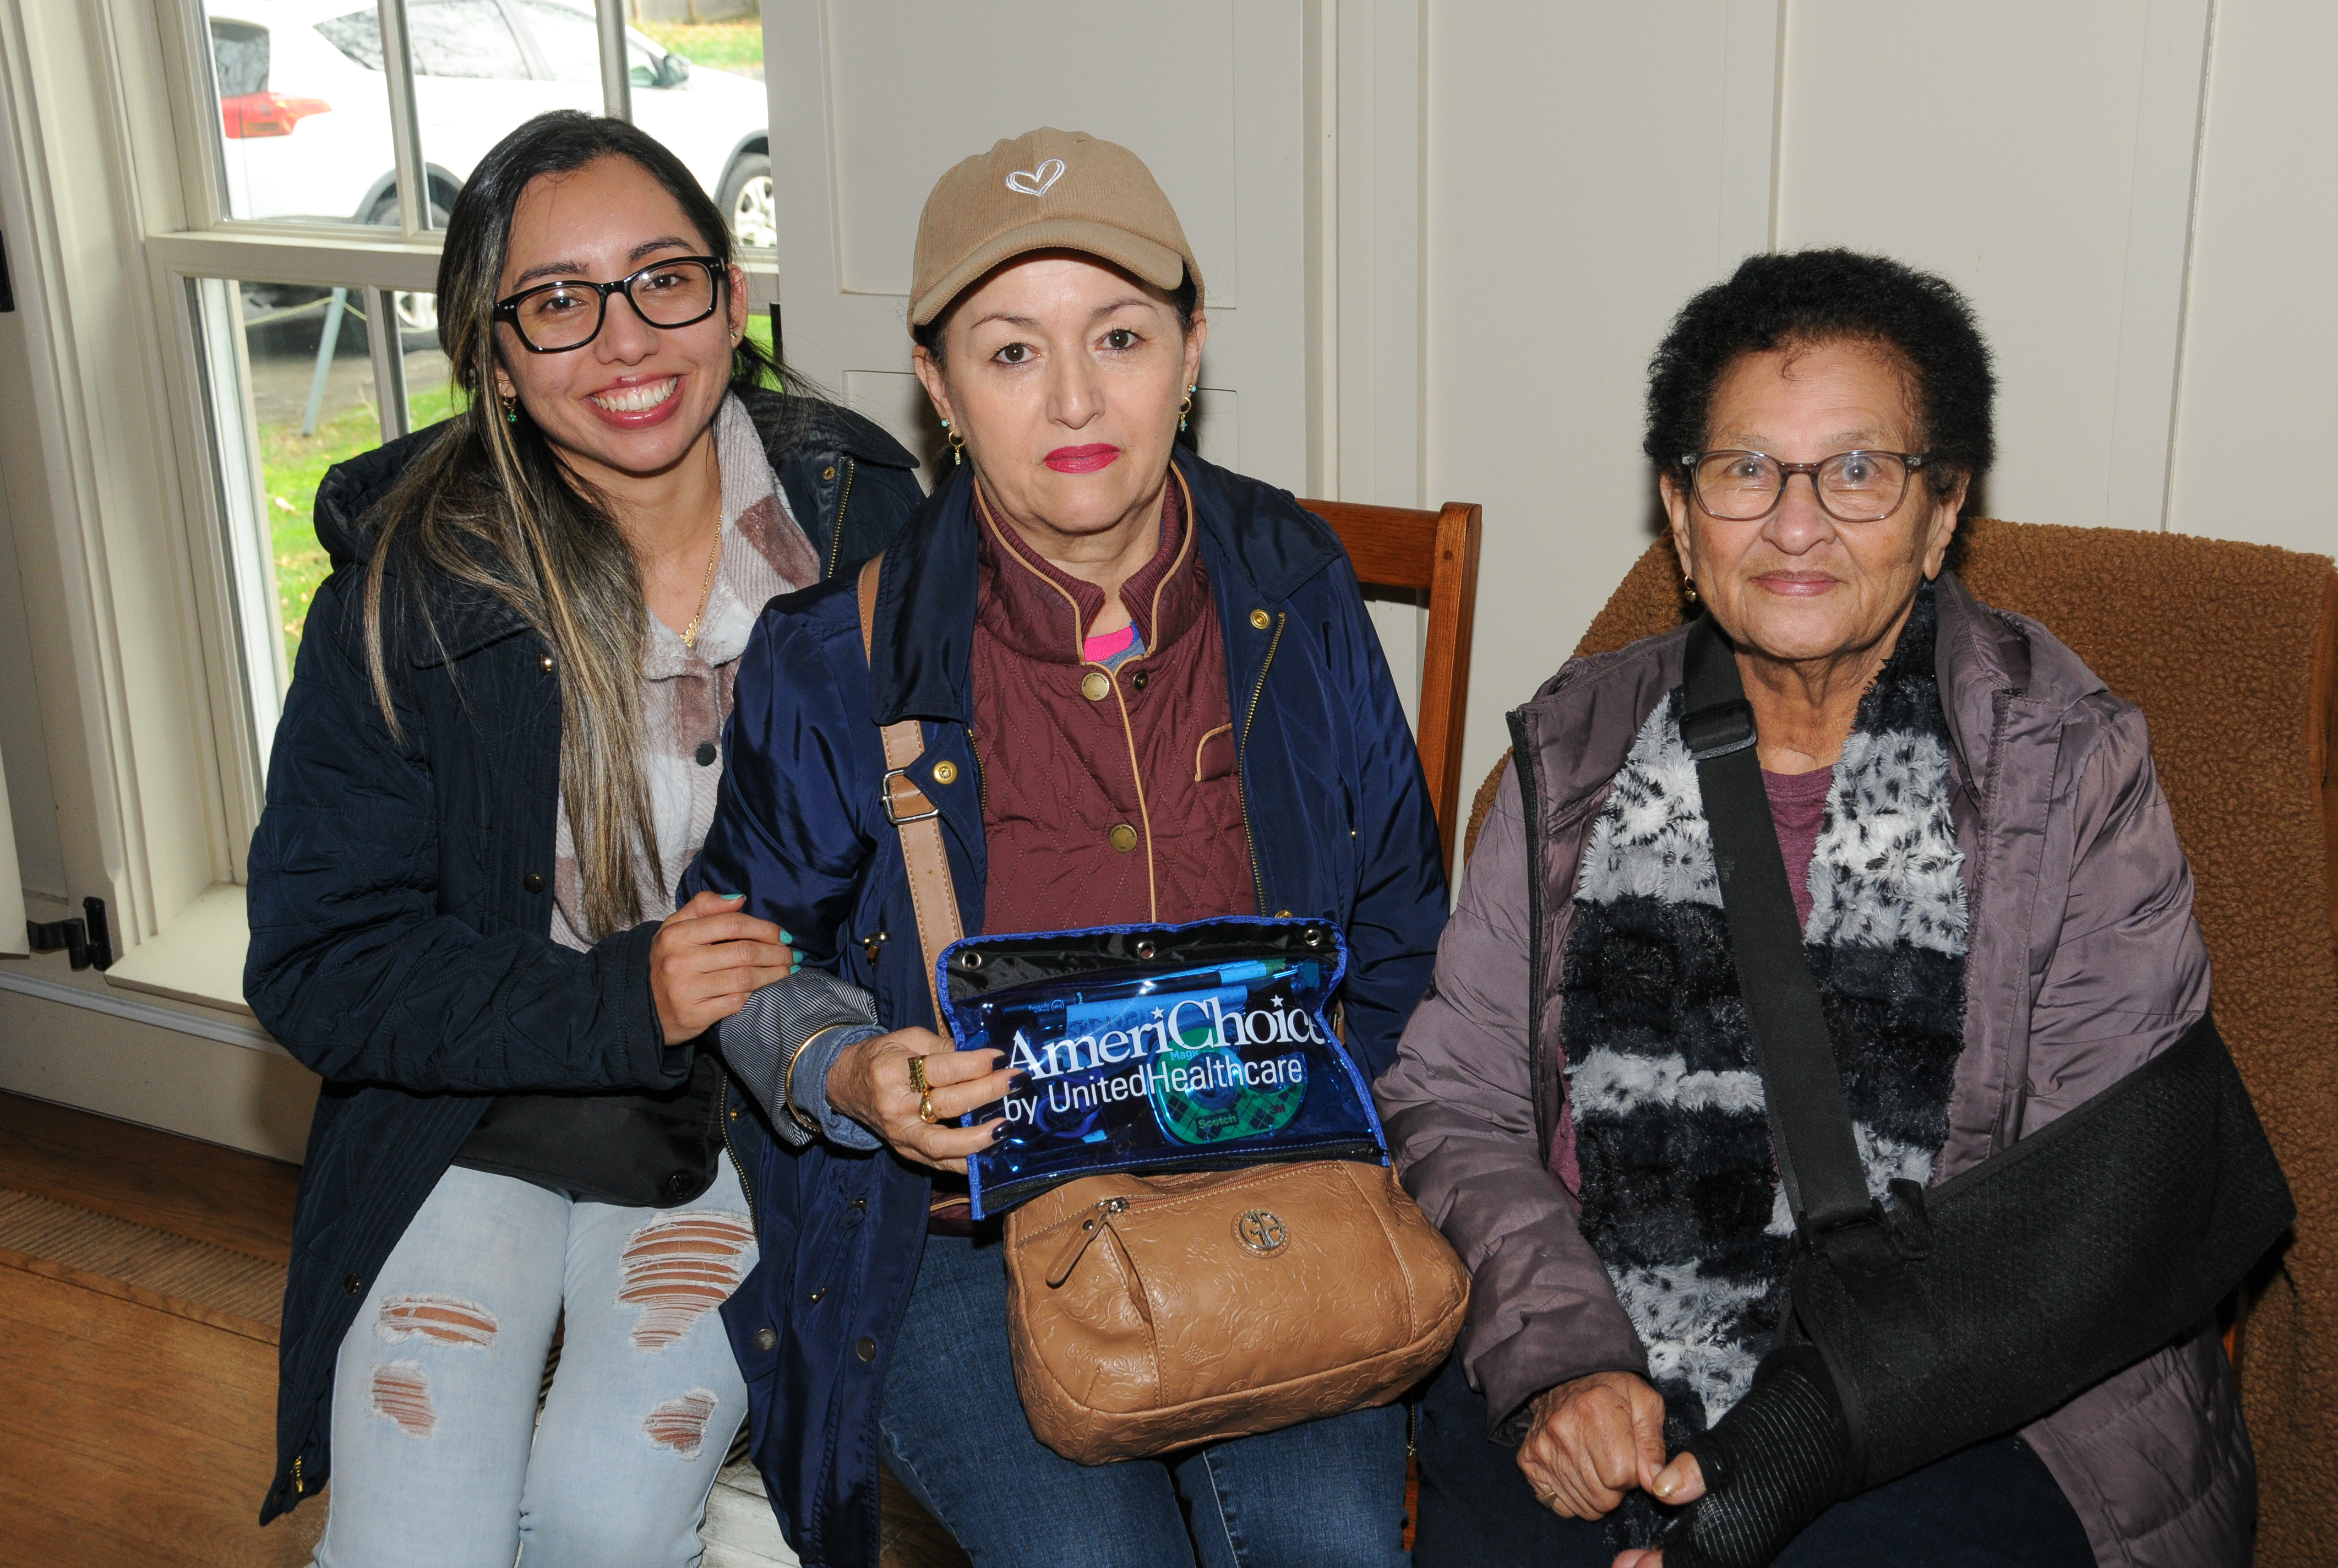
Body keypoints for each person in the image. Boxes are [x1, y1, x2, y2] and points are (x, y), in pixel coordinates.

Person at [1378, 248, 2252, 1568]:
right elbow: (1457, 1101)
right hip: (1613, 1338)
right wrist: (1563, 1363)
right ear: (1679, 515)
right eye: (1743, 470)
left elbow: (2089, 1208)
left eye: (1857, 470)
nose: (1796, 524)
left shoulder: (2064, 765)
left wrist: (1767, 1465)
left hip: (1976, 1393)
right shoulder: (1571, 750)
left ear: (1941, 508)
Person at [686, 127, 1450, 1567]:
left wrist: (1388, 1141)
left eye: (1118, 336)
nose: (1079, 397)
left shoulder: (1290, 585)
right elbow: (737, 945)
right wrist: (849, 1068)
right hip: (960, 1232)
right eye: (1012, 352)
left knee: (1335, 1552)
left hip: (1275, 1179)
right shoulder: (831, 655)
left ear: (1191, 347)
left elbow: (1405, 919)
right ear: (937, 386)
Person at [243, 111, 923, 1566]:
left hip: (762, 1112)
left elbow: (947, 880)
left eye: (663, 279)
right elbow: (321, 965)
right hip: (475, 1105)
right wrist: (622, 994)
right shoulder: (410, 586)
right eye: (556, 303)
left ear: (734, 300)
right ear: (491, 355)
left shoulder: (865, 531)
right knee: (412, 1539)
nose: (624, 340)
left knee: (609, 1515)